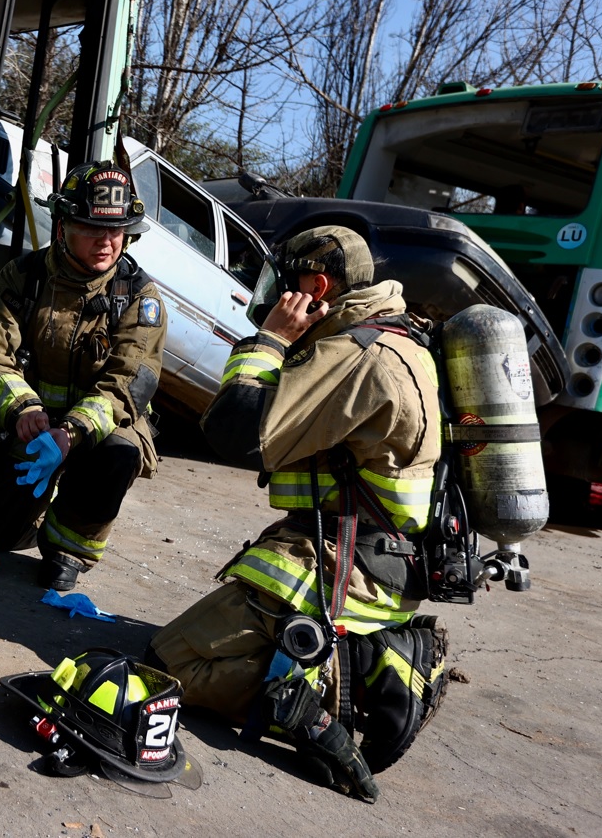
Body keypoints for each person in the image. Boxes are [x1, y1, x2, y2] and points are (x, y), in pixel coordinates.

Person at [144, 226, 443, 803]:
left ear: (319, 284)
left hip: (343, 564)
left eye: (289, 283)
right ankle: (352, 655)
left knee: (167, 662)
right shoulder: (399, 336)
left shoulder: (356, 353)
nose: (278, 294)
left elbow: (240, 433)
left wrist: (269, 339)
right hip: (379, 555)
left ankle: (334, 686)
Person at [0, 161, 166, 591]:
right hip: (29, 427)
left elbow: (129, 383)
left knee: (120, 453)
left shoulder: (140, 298)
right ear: (63, 225)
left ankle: (67, 547)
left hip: (97, 431)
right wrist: (22, 408)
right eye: (92, 228)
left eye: (117, 230)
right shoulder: (23, 277)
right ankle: (21, 519)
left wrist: (73, 432)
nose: (107, 242)